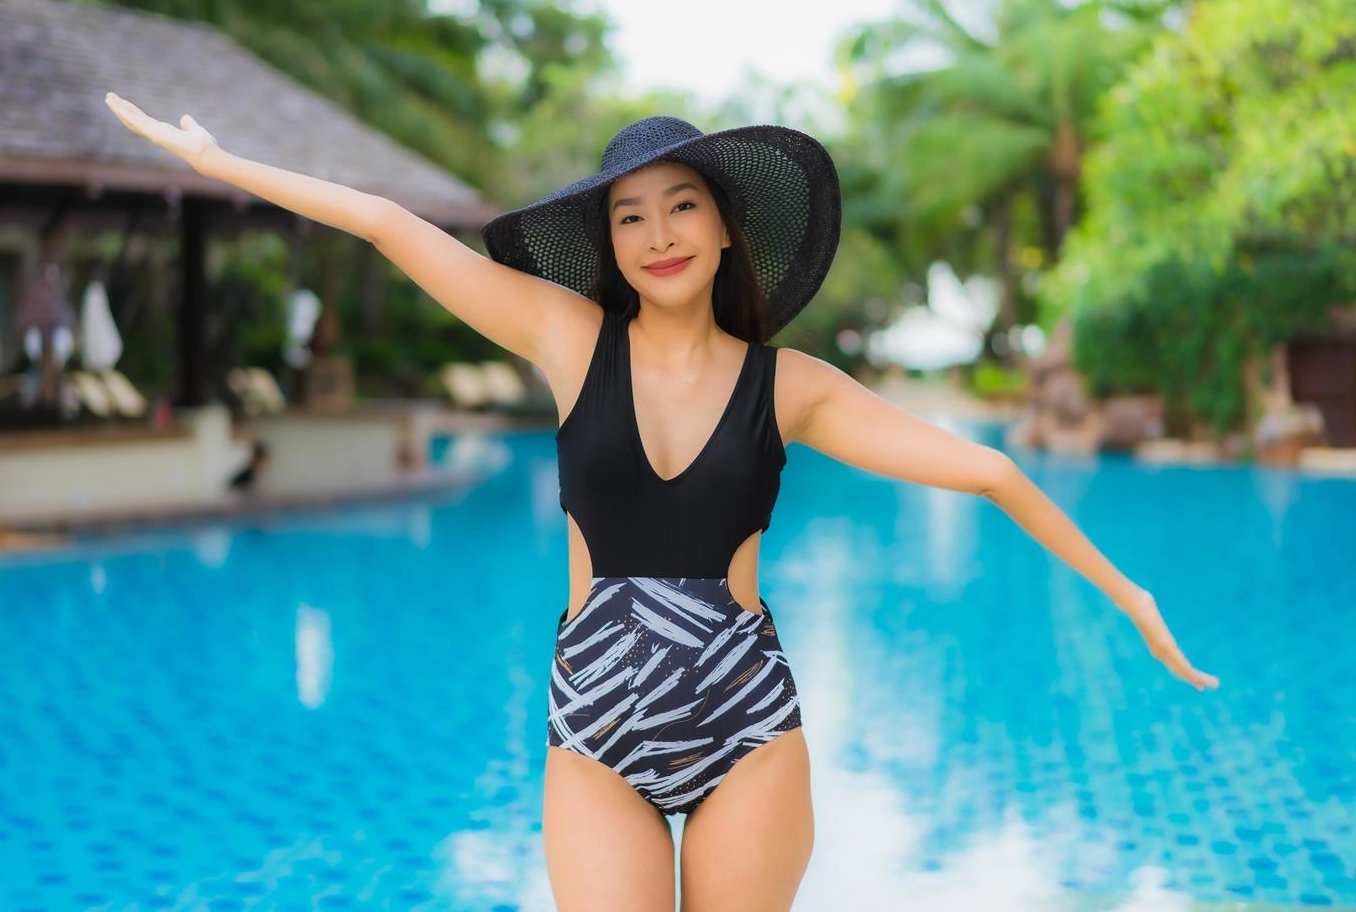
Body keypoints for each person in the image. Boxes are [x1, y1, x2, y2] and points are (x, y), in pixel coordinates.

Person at [104, 92, 1220, 911]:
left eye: (681, 207)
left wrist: (1129, 592)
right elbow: (393, 225)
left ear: (726, 224)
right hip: (596, 727)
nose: (658, 235)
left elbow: (989, 470)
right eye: (630, 217)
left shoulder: (794, 387)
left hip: (748, 730)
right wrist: (220, 159)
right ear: (610, 242)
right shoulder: (565, 338)